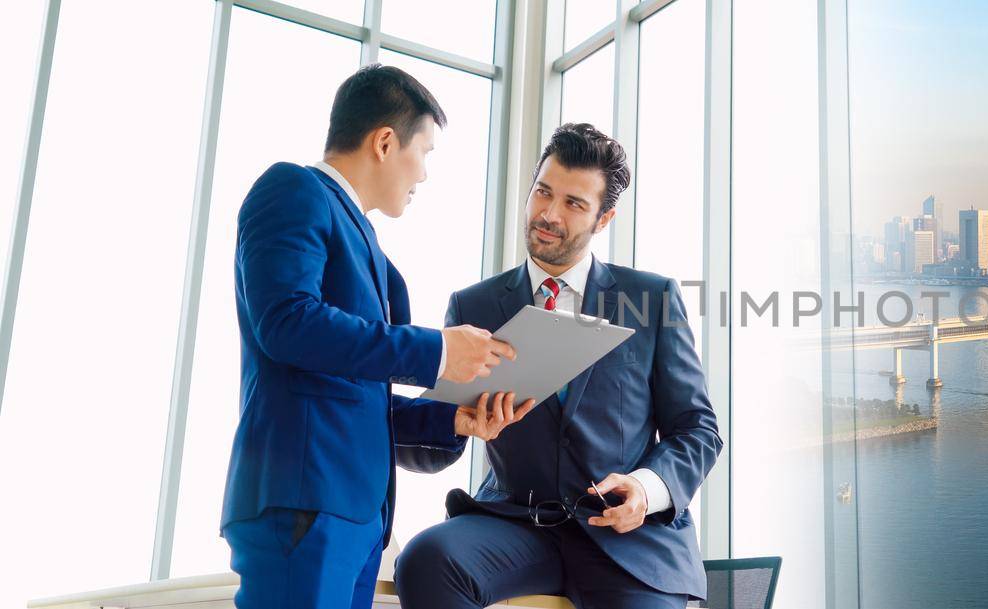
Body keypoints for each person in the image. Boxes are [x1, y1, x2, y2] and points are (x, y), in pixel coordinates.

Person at [221, 65, 532, 609]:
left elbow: (361, 400)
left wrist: (453, 419)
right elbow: (288, 323)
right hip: (305, 502)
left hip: (356, 517)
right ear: (386, 142)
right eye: (426, 153)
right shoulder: (294, 190)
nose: (425, 175)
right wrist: (435, 350)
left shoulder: (377, 260)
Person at [394, 123, 723, 609]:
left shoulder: (651, 298)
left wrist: (645, 488)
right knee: (426, 559)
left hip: (625, 539)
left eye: (573, 203)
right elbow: (434, 445)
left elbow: (697, 429)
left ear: (603, 218)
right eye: (543, 192)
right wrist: (458, 424)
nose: (548, 214)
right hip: (514, 527)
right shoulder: (472, 307)